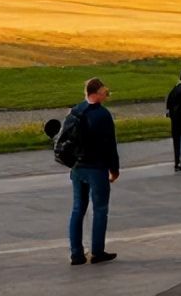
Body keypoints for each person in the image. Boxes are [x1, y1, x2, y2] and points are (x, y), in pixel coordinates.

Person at [68, 77, 120, 266]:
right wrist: (114, 169)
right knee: (100, 209)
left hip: (77, 168)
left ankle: (76, 254)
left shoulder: (75, 111)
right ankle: (97, 252)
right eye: (104, 91)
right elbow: (110, 145)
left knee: (77, 209)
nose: (106, 94)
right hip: (97, 168)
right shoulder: (103, 115)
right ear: (96, 93)